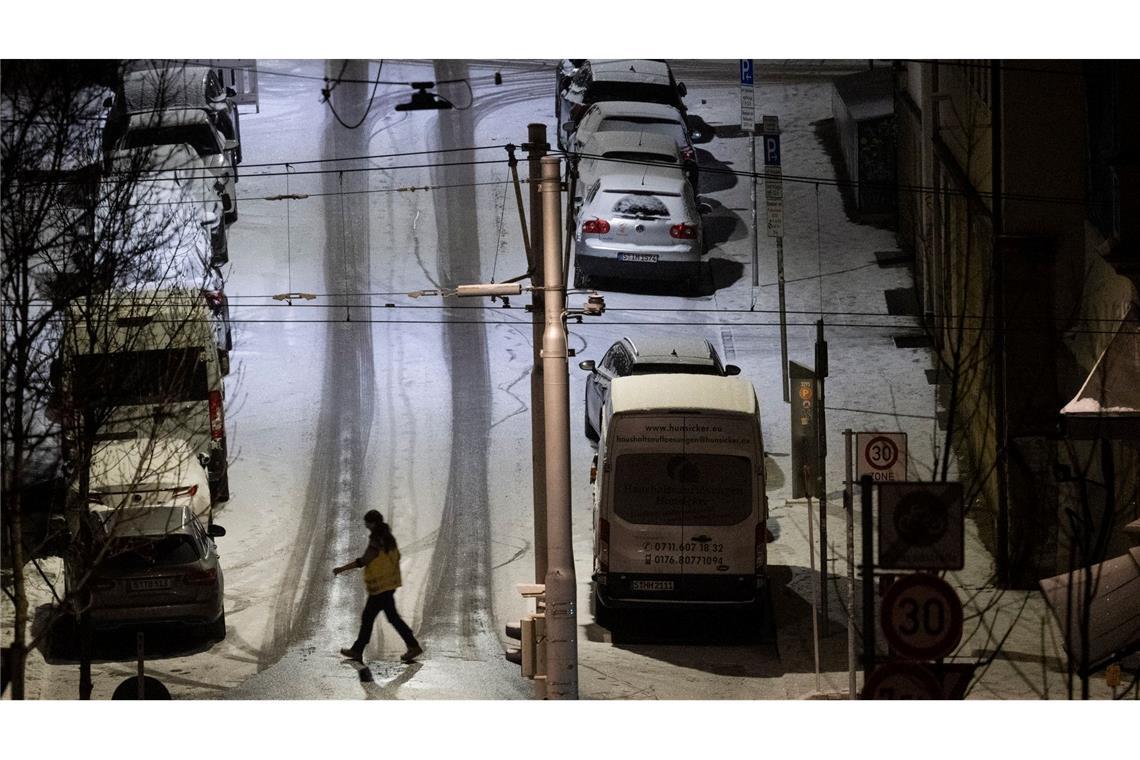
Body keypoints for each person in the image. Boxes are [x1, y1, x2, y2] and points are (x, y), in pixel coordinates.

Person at [333, 510, 423, 663]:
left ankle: (359, 650)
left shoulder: (377, 539)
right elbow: (395, 557)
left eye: (367, 522)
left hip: (380, 589)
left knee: (373, 618)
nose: (365, 525)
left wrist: (342, 568)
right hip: (388, 586)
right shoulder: (388, 538)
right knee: (386, 617)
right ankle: (359, 649)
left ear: (373, 523)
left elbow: (364, 560)